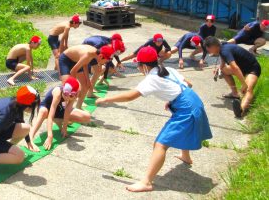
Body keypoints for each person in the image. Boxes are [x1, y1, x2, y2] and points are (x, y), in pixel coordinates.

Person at [96, 47, 212, 192]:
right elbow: (188, 84)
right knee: (182, 130)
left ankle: (146, 182)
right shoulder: (167, 68)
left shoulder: (152, 78)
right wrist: (173, 100)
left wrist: (106, 99)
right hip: (194, 100)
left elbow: (130, 96)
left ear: (143, 66)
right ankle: (186, 157)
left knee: (160, 144)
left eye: (138, 65)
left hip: (185, 109)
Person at [29, 77, 91, 151]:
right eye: (65, 94)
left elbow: (67, 110)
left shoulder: (75, 93)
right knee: (43, 112)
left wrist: (65, 127)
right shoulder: (57, 93)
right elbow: (50, 116)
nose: (67, 97)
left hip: (59, 109)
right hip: (47, 109)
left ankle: (58, 120)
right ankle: (30, 138)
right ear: (63, 89)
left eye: (71, 96)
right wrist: (50, 135)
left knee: (87, 117)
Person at [204, 36, 261, 117]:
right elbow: (223, 58)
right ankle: (235, 94)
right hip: (242, 68)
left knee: (248, 89)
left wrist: (244, 84)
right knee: (223, 70)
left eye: (208, 48)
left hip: (252, 69)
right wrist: (220, 68)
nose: (208, 50)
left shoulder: (224, 51)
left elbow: (235, 68)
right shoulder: (221, 46)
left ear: (214, 46)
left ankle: (240, 110)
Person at [59, 44, 114, 109]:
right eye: (106, 61)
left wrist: (88, 81)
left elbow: (85, 65)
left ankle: (78, 106)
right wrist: (76, 87)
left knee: (85, 85)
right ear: (101, 56)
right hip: (66, 60)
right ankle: (61, 107)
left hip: (76, 61)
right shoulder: (87, 54)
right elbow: (73, 71)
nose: (105, 63)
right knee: (67, 87)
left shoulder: (94, 53)